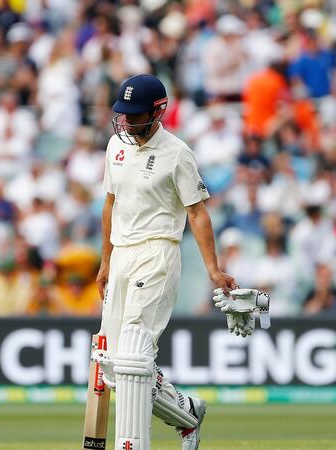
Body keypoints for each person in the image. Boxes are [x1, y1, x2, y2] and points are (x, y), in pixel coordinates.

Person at [94, 74, 238, 450]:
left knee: (134, 359)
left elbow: (198, 213)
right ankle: (187, 414)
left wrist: (212, 269)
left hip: (157, 253)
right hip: (121, 254)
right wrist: (106, 261)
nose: (126, 122)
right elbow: (111, 204)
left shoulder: (177, 153)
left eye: (135, 114)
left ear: (158, 111)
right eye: (122, 115)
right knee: (110, 366)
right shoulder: (115, 147)